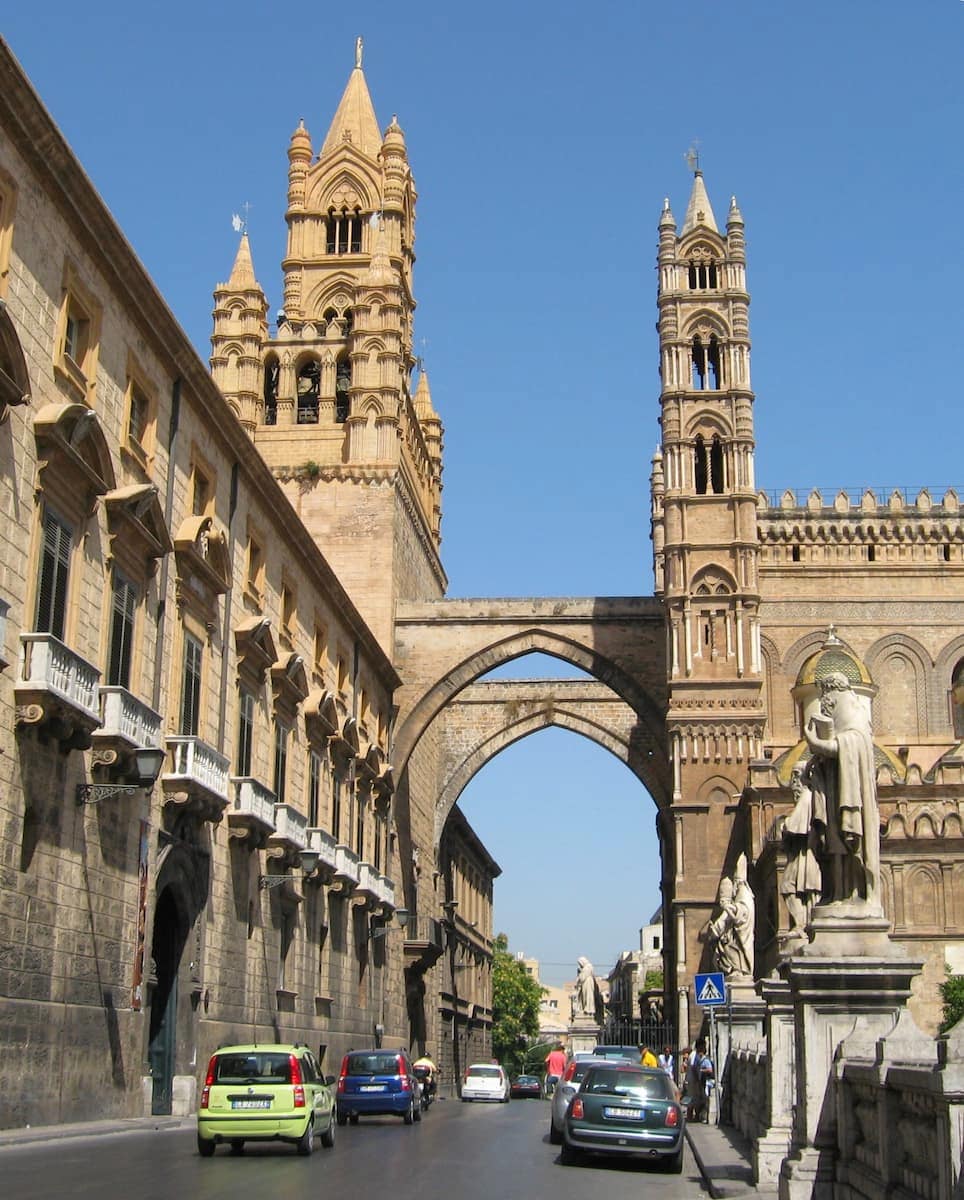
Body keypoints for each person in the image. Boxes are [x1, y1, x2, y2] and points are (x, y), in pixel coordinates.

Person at [804, 671, 880, 907]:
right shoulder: (840, 709)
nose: (823, 701)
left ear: (831, 692)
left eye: (825, 695)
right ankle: (837, 893)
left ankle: (852, 894)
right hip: (836, 788)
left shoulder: (851, 709)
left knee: (847, 843)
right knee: (833, 843)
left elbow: (853, 743)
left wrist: (816, 743)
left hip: (851, 793)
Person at [781, 765, 823, 935]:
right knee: (799, 888)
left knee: (795, 887)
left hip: (808, 854)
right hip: (803, 852)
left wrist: (784, 825)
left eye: (795, 780)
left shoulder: (806, 797)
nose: (793, 785)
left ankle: (803, 925)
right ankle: (803, 924)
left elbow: (794, 826)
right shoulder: (810, 797)